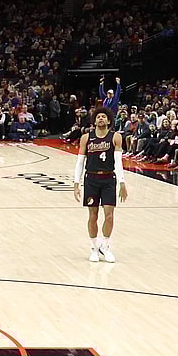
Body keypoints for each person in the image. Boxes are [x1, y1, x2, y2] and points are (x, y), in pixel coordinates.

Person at [73, 106, 128, 262]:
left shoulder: (115, 137)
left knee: (109, 215)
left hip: (109, 179)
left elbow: (118, 162)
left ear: (109, 120)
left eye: (104, 116)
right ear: (94, 120)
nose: (101, 119)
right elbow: (80, 162)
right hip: (91, 179)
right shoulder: (86, 138)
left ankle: (105, 245)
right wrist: (76, 183)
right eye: (98, 117)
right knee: (92, 216)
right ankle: (93, 247)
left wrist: (122, 183)